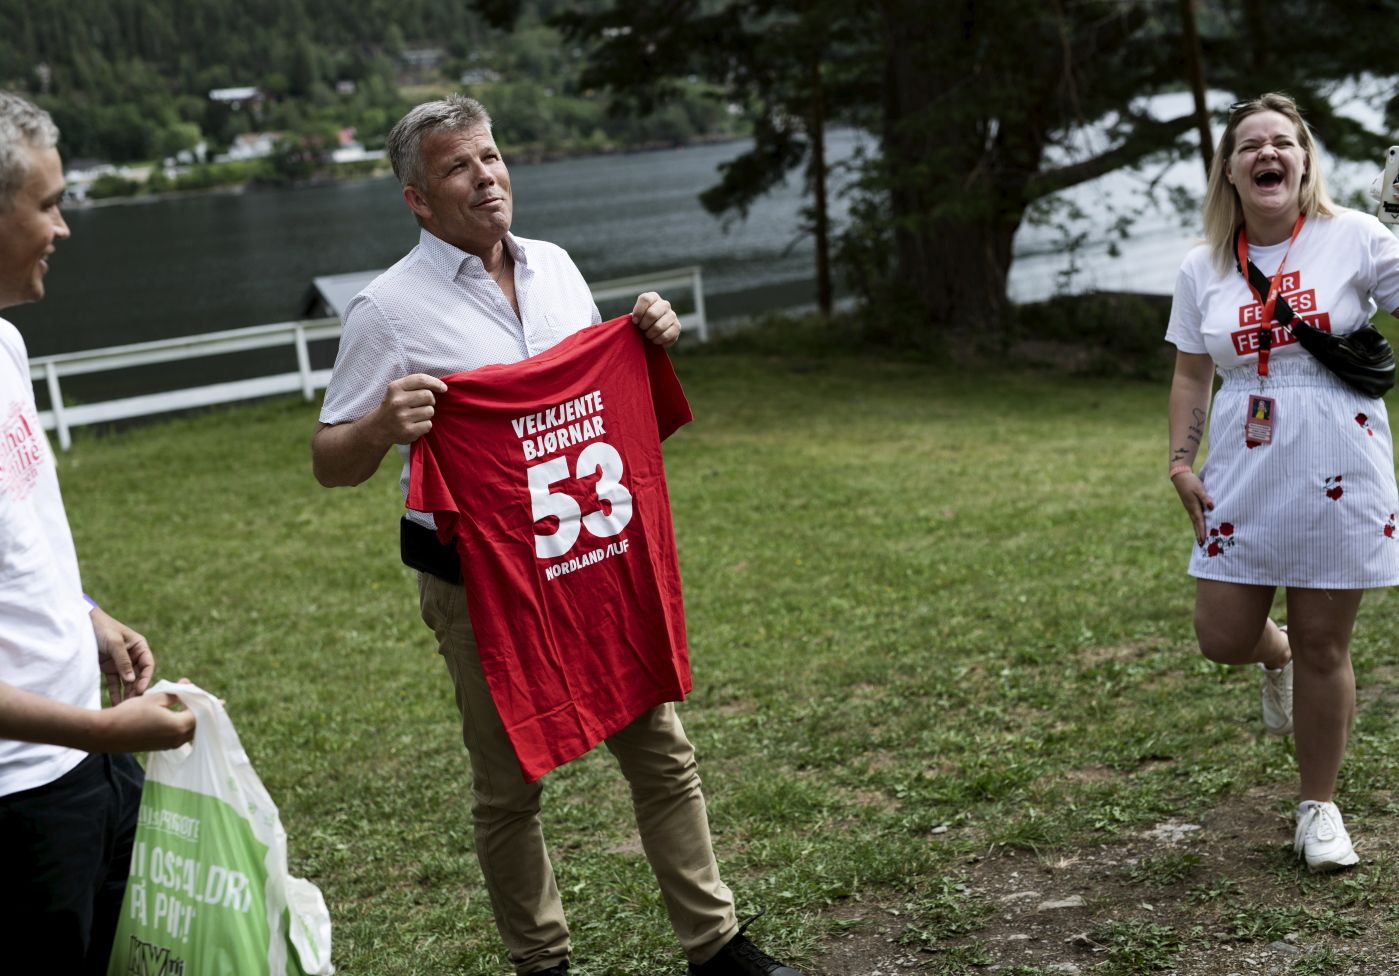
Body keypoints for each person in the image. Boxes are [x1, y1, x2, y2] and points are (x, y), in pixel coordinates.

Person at [312, 94, 800, 976]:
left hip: (589, 554)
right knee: (508, 789)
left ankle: (719, 948)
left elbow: (600, 405)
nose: (485, 178)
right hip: (479, 579)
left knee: (662, 752)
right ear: (418, 198)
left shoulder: (558, 269)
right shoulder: (385, 310)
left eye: (491, 157)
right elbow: (328, 460)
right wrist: (381, 426)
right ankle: (541, 965)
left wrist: (651, 338)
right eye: (457, 167)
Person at [1165, 92, 1399, 872]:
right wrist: (1177, 460)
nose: (1266, 154)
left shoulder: (1357, 237)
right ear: (1229, 172)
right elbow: (1192, 374)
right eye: (1248, 146)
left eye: (1281, 142)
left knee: (1329, 646)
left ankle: (1318, 808)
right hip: (1242, 460)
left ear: (1302, 160)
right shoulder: (1201, 268)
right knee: (1221, 636)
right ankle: (1276, 656)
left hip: (1342, 454)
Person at [0, 90, 197, 973]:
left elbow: (23, 532)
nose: (64, 227)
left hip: (85, 761)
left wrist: (86, 614)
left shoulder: (4, 346)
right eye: (47, 204)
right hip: (22, 800)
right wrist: (109, 735)